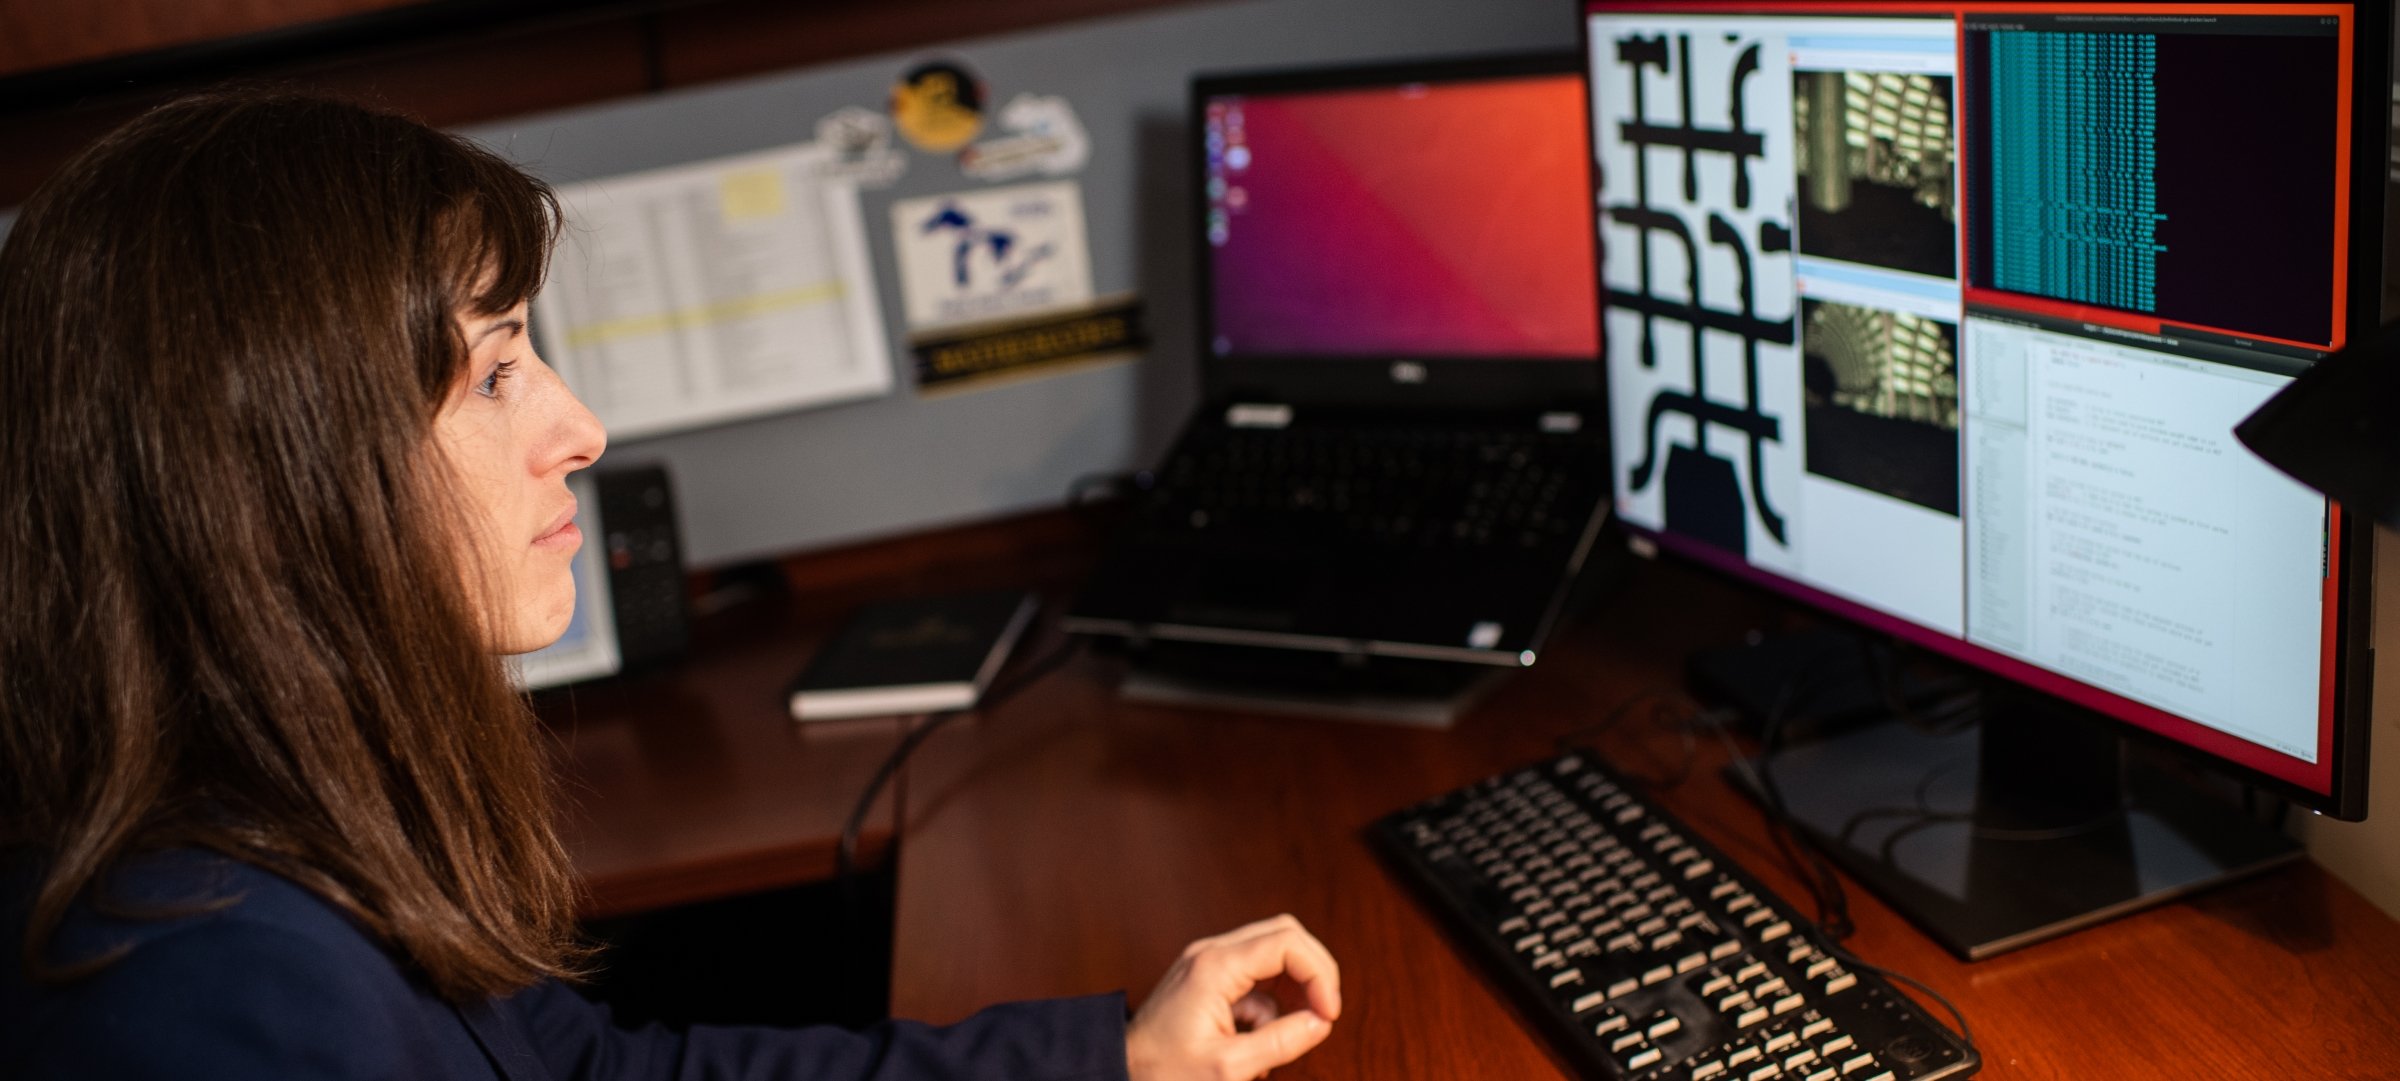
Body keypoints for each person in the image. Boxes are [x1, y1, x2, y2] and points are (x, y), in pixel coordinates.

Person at [0, 90, 1340, 1081]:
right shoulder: (212, 994)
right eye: (495, 368)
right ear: (272, 467)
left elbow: (592, 1076)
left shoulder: (297, 819)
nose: (581, 427)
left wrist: (1111, 1058)